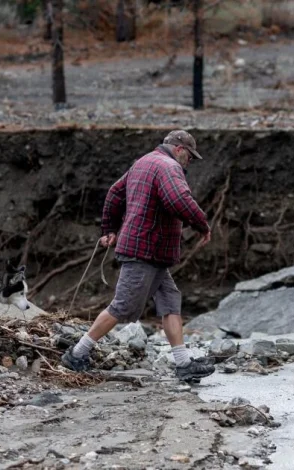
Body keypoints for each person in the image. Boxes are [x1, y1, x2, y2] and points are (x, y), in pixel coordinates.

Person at [61, 130, 216, 382]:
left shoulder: (143, 162)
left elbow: (114, 193)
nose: (189, 162)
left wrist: (109, 229)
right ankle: (77, 354)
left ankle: (183, 363)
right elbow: (179, 199)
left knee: (170, 300)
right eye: (190, 156)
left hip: (152, 251)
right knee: (124, 306)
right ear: (179, 149)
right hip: (143, 250)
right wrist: (202, 225)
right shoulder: (169, 166)